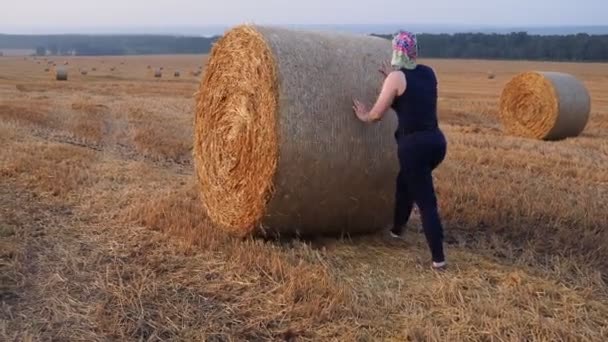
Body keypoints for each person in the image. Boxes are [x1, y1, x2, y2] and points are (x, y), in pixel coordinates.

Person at [352, 31, 447, 270]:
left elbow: (376, 115)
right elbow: (412, 100)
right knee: (405, 181)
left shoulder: (396, 79)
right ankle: (397, 229)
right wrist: (390, 81)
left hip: (414, 146)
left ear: (396, 51)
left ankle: (439, 259)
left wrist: (363, 114)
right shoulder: (428, 73)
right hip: (437, 142)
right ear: (414, 50)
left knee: (426, 202)